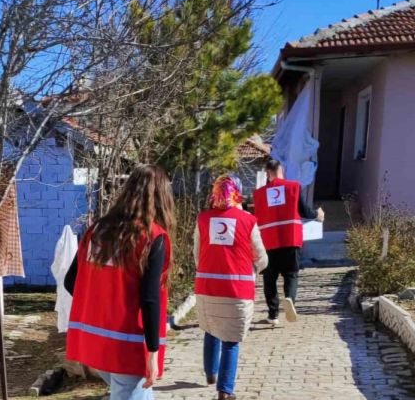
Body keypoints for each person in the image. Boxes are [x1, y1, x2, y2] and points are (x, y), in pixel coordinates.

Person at [64, 165, 174, 400]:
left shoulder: (97, 230)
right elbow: (150, 299)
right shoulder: (151, 237)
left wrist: (103, 310)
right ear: (161, 197)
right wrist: (153, 353)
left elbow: (71, 282)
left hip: (96, 342)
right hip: (128, 348)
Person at [194, 176, 268, 400]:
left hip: (207, 287)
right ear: (238, 193)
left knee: (211, 329)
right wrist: (254, 270)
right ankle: (225, 390)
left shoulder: (203, 219)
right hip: (237, 290)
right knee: (231, 340)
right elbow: (261, 257)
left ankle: (211, 373)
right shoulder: (248, 220)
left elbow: (197, 254)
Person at [253, 159, 324, 326]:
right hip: (290, 239)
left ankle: (273, 315)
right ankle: (290, 298)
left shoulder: (259, 194)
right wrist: (318, 214)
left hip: (268, 242)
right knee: (291, 274)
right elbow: (304, 211)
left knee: (269, 278)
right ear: (281, 170)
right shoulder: (293, 187)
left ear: (268, 173)